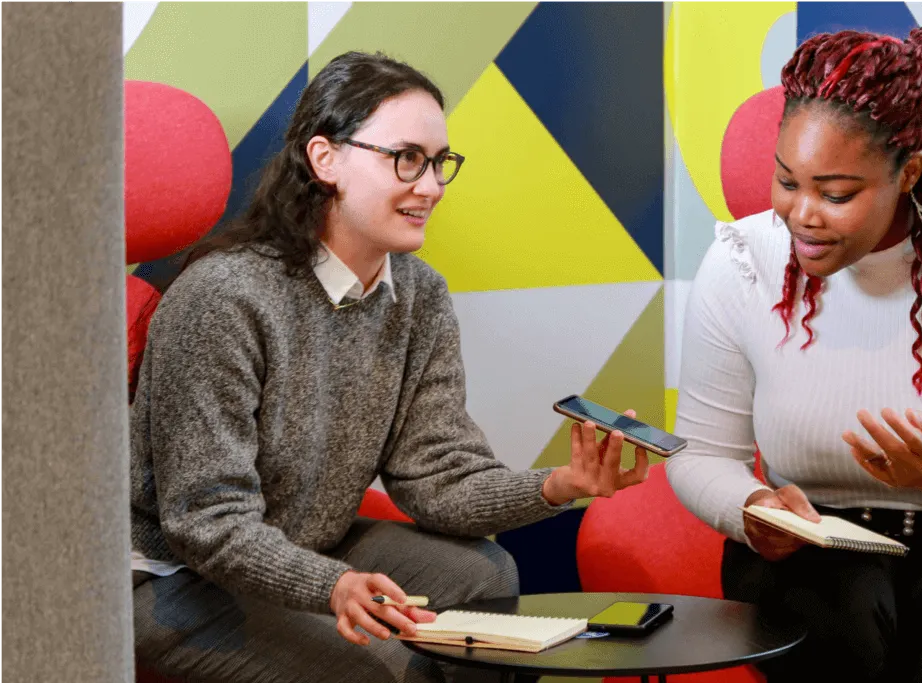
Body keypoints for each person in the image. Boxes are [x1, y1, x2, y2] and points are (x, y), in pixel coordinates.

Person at [129, 51, 649, 683]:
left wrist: (560, 485)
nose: (430, 186)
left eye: (438, 162)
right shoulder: (223, 298)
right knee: (385, 667)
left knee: (484, 576)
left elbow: (438, 478)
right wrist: (331, 585)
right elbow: (205, 522)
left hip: (307, 544)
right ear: (325, 159)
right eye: (405, 158)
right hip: (173, 576)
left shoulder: (418, 295)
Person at [668, 28, 922, 683]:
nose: (801, 215)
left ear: (908, 172)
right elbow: (701, 454)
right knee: (838, 627)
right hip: (808, 543)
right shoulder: (742, 261)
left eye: (835, 194)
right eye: (786, 181)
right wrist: (751, 506)